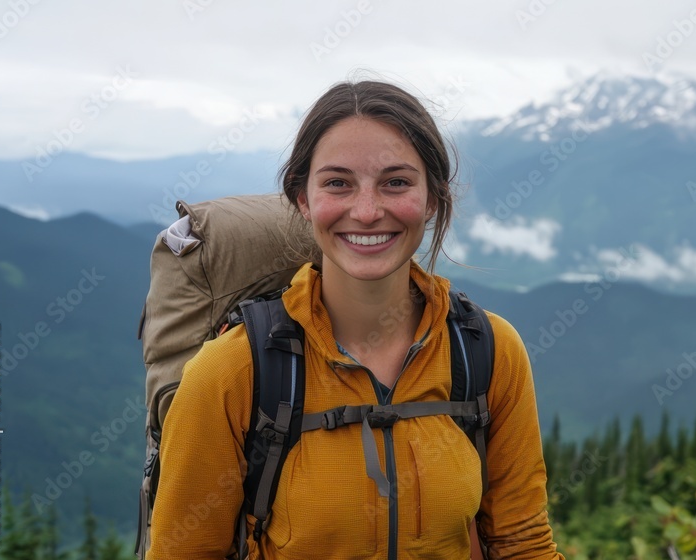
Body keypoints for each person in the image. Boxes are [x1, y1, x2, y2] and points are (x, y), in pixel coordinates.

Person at [147, 80, 565, 559]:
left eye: (396, 182)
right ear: (303, 199)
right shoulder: (232, 372)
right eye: (338, 183)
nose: (367, 211)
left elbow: (523, 543)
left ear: (432, 199)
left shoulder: (487, 351)